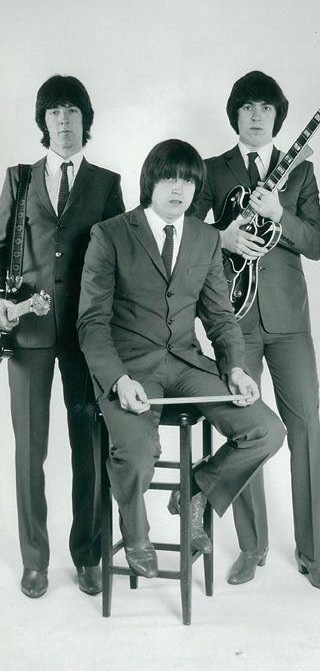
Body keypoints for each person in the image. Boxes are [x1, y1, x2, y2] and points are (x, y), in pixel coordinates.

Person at [77, 139, 285, 578]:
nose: (179, 189)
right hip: (131, 370)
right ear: (150, 180)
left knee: (267, 430)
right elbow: (91, 324)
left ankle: (196, 490)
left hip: (188, 364)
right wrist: (118, 380)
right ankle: (136, 533)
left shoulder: (206, 237)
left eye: (188, 181)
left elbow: (220, 316)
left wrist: (235, 368)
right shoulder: (110, 234)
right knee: (139, 452)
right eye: (170, 178)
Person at [195, 71, 320, 591]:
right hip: (234, 320)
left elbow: (319, 243)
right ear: (235, 114)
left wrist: (280, 215)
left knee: (307, 429)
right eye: (247, 107)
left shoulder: (300, 169)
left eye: (266, 108)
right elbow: (186, 232)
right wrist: (223, 237)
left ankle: (313, 553)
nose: (256, 116)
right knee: (246, 426)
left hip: (289, 323)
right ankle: (251, 547)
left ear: (278, 116)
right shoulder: (213, 169)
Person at [0, 75, 124, 598]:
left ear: (85, 120)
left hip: (86, 333)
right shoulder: (18, 178)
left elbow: (120, 262)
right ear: (43, 121)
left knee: (90, 446)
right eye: (54, 111)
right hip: (27, 330)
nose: (64, 120)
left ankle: (88, 554)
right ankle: (35, 560)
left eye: (72, 111)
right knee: (29, 451)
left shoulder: (107, 183)